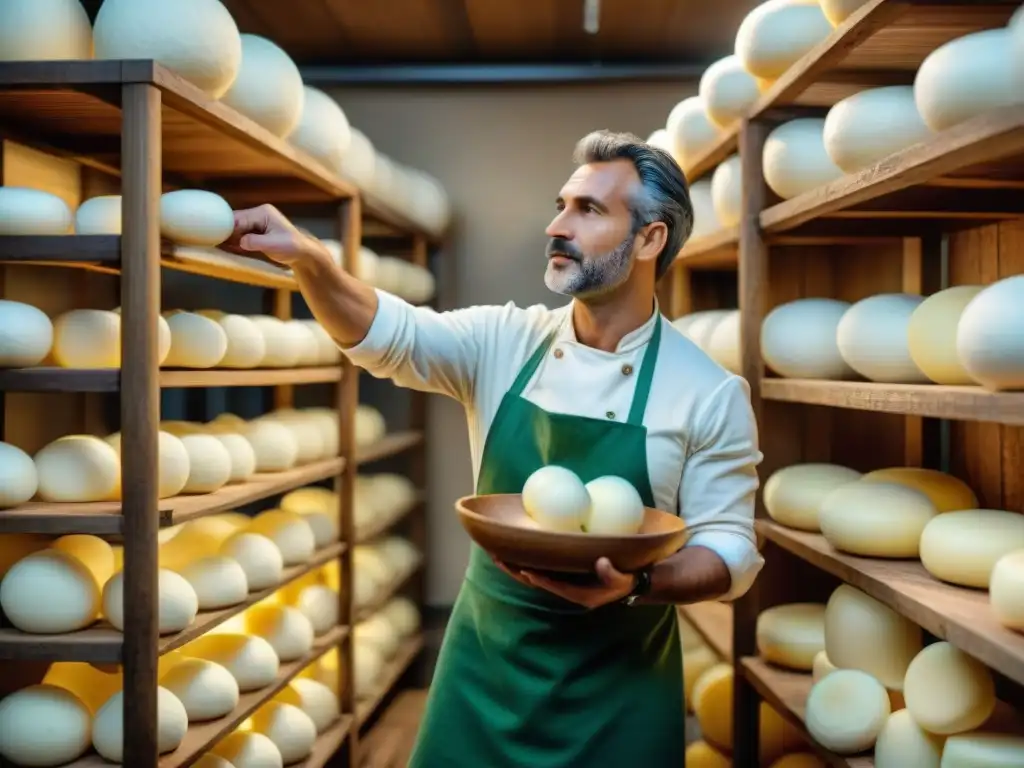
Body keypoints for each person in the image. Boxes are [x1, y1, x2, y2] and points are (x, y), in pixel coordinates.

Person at [227, 129, 763, 767]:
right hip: (486, 669)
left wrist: (639, 582)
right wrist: (310, 260)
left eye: (588, 210)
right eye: (560, 205)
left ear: (651, 238)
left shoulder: (707, 391)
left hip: (618, 690)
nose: (557, 226)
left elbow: (729, 548)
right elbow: (385, 334)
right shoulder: (503, 341)